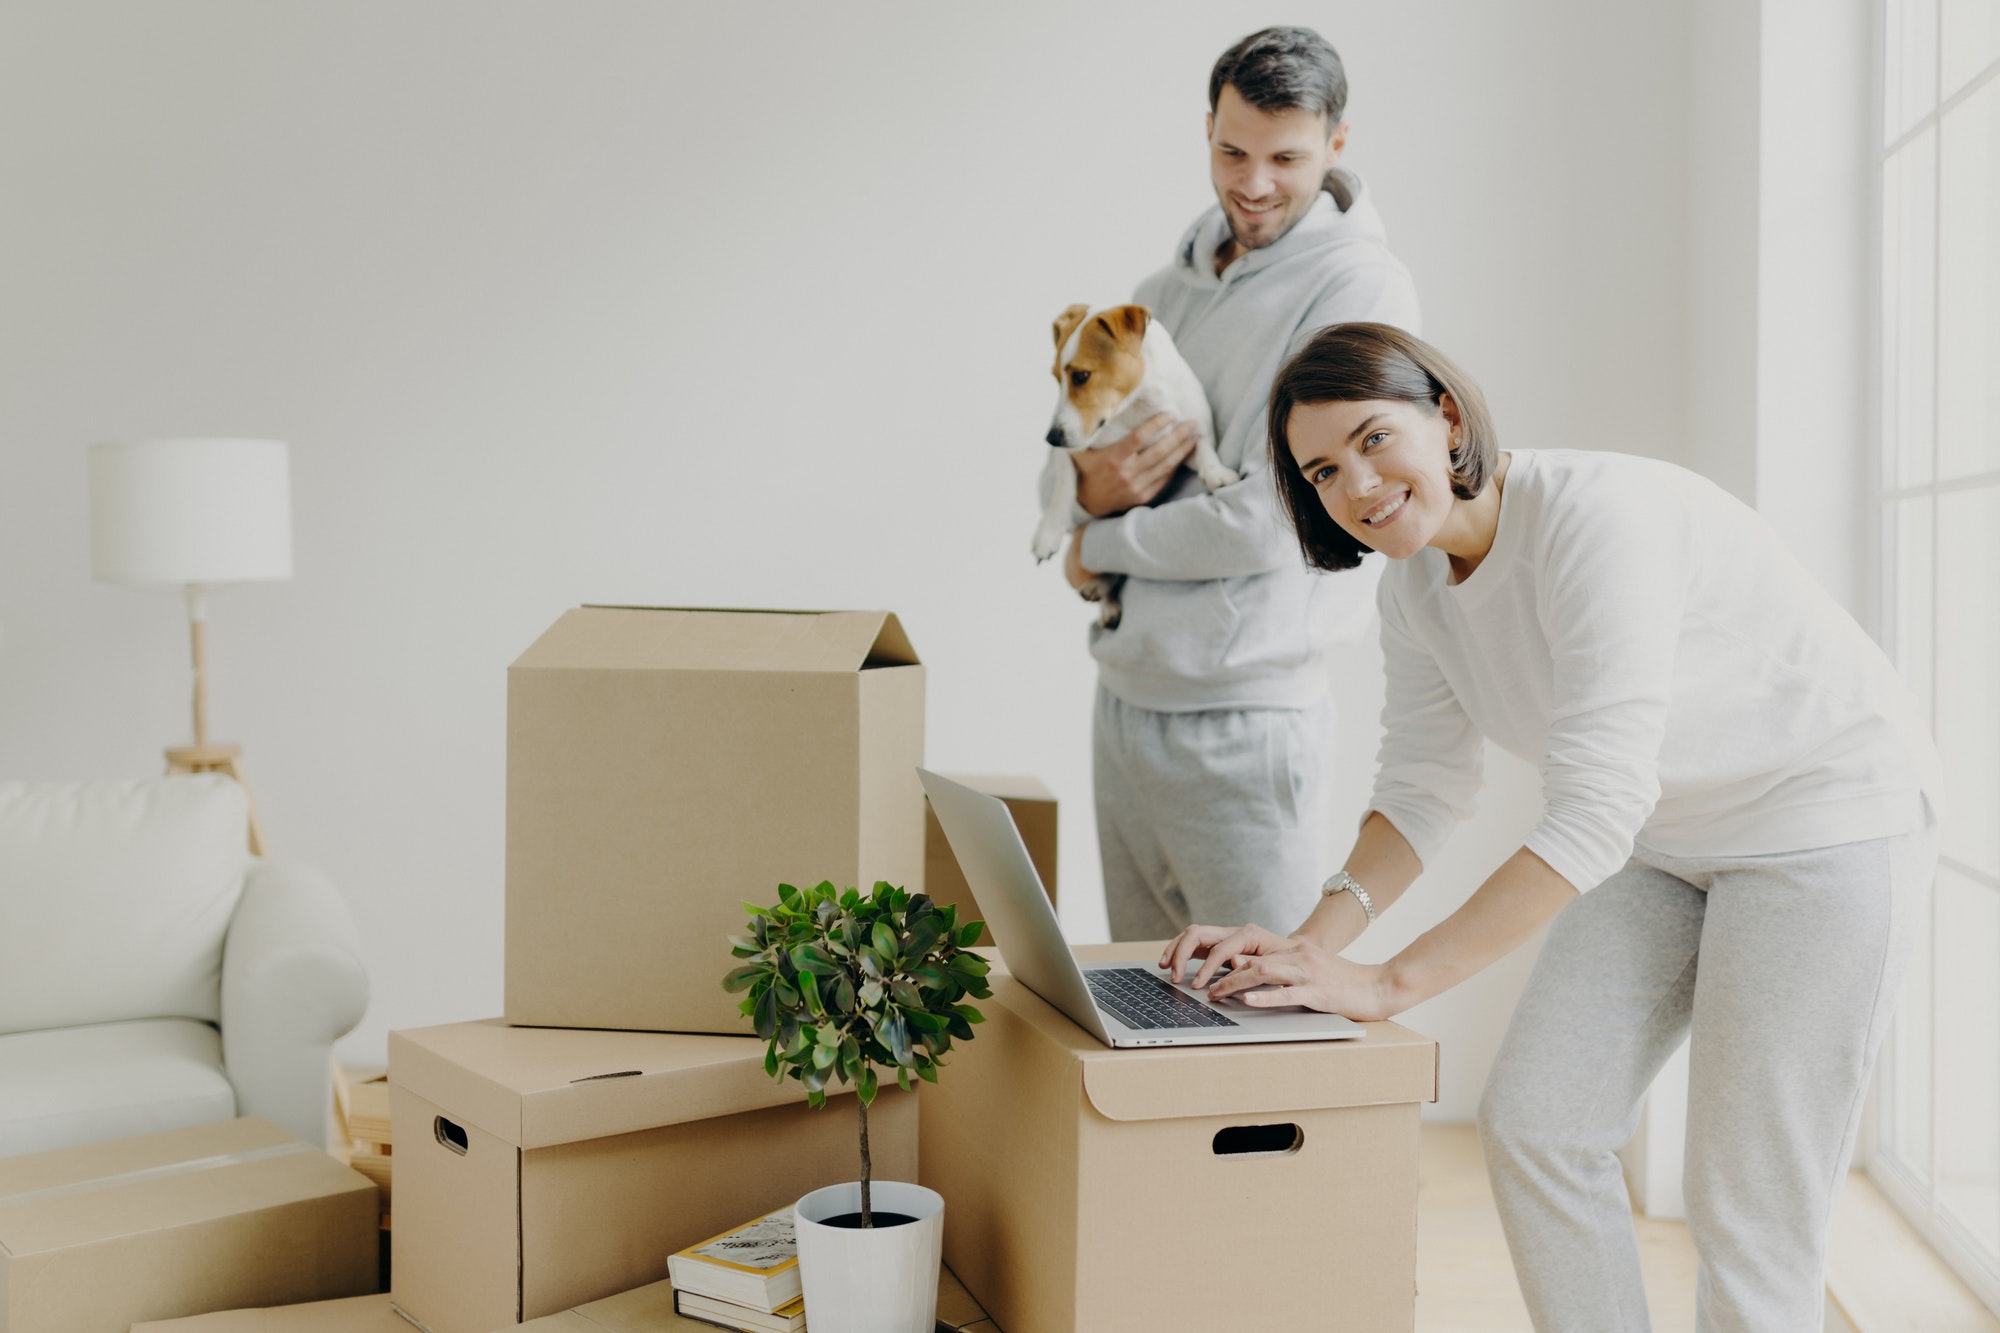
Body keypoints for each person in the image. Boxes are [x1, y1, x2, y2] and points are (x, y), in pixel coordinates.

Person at [1160, 323, 1943, 1332]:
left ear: (1444, 416)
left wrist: (1387, 984)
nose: (1355, 485)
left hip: (1824, 823)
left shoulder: (1593, 520)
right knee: (1538, 1123)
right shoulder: (1413, 591)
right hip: (1667, 837)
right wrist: (1309, 949)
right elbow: (1421, 788)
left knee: (1748, 1205)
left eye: (1371, 439)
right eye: (1320, 471)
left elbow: (1592, 807)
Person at [1059, 26, 1419, 941]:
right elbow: (1085, 453)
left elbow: (1275, 519)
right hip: (1125, 699)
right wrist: (1088, 499)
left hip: (1244, 722)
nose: (1253, 183)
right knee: (1147, 1013)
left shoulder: (1359, 291)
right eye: (1231, 151)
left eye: (1286, 158)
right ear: (1207, 131)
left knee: (1265, 1023)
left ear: (1337, 145)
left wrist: (1095, 540)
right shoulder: (1162, 291)